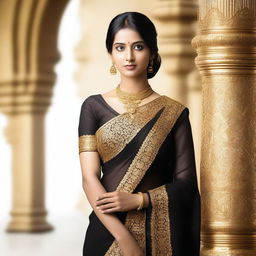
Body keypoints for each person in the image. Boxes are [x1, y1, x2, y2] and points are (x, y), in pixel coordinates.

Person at [78, 11, 201, 256]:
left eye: (138, 46)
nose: (129, 56)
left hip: (161, 237)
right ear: (111, 54)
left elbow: (187, 185)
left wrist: (140, 200)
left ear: (153, 53)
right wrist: (125, 240)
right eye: (120, 48)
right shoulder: (92, 107)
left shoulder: (174, 113)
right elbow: (89, 178)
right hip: (107, 231)